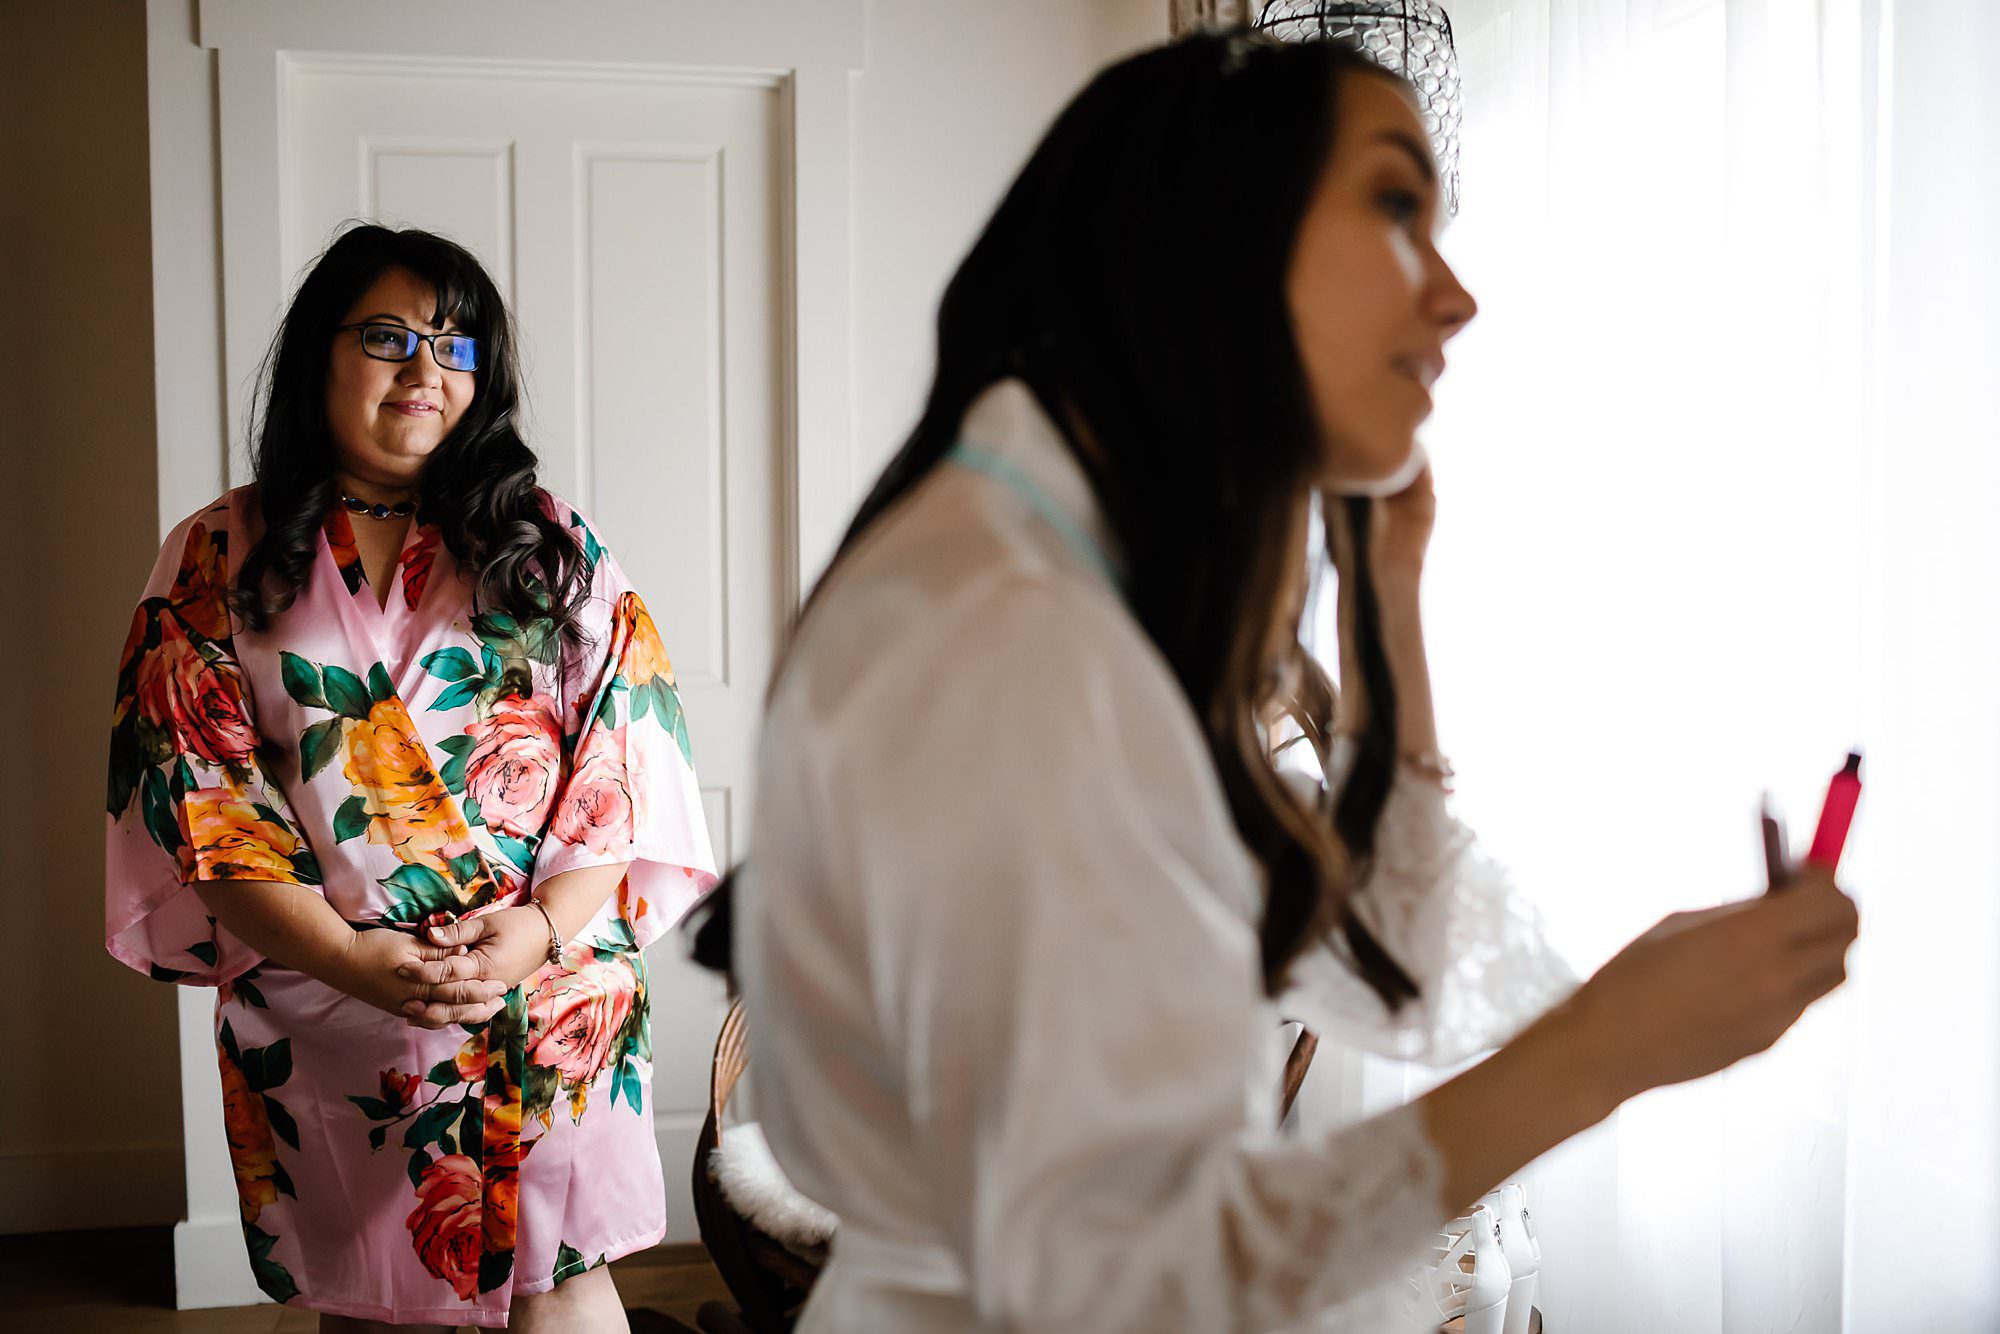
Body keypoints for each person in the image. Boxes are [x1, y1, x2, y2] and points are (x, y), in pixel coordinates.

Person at [691, 33, 1860, 1332]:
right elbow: (1132, 1264)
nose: (1457, 294)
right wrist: (1604, 1051)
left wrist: (1386, 597)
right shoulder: (1001, 623)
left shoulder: (1110, 583)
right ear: (1220, 244)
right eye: (1397, 208)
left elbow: (1389, 960)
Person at [104, 225, 717, 1332]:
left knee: (560, 1277)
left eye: (456, 343)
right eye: (388, 336)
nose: (426, 368)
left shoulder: (548, 544)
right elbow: (198, 791)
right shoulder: (214, 553)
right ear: (319, 355)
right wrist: (352, 958)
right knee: (378, 1291)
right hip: (331, 993)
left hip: (544, 985)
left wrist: (531, 934)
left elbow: (619, 761)